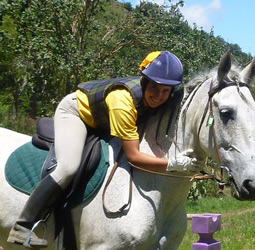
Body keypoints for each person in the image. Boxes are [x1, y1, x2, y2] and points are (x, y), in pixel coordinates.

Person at [7, 51, 198, 247]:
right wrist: (172, 164)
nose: (159, 96)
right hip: (77, 114)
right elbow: (133, 157)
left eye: (166, 91)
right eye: (155, 88)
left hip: (104, 121)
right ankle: (22, 226)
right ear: (144, 81)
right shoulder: (122, 102)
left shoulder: (164, 94)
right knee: (68, 168)